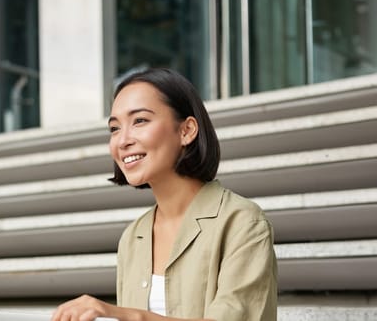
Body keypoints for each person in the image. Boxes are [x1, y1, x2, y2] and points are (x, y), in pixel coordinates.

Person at [51, 68, 278, 321]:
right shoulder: (134, 236)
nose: (122, 140)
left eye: (140, 121)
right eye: (115, 128)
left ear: (186, 130)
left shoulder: (242, 222)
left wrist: (130, 316)